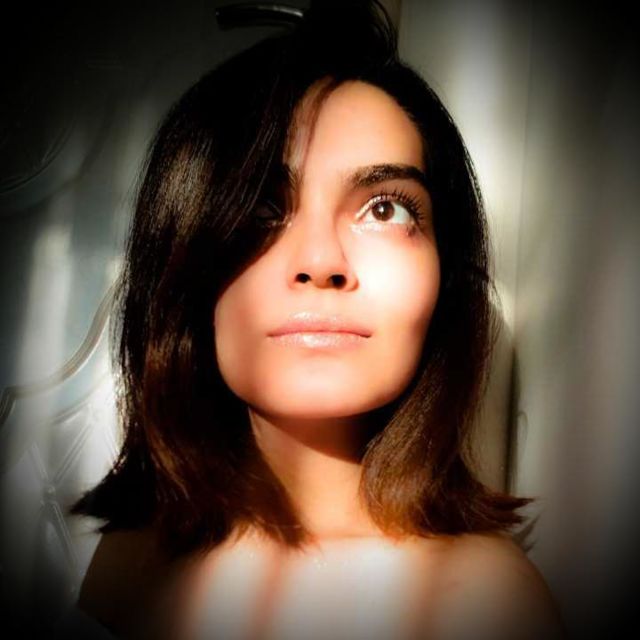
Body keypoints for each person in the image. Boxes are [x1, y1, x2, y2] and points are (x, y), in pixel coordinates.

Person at [68, 1, 566, 638]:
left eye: (385, 209)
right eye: (261, 206)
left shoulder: (486, 604)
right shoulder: (130, 560)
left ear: (445, 274)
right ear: (181, 259)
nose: (321, 262)